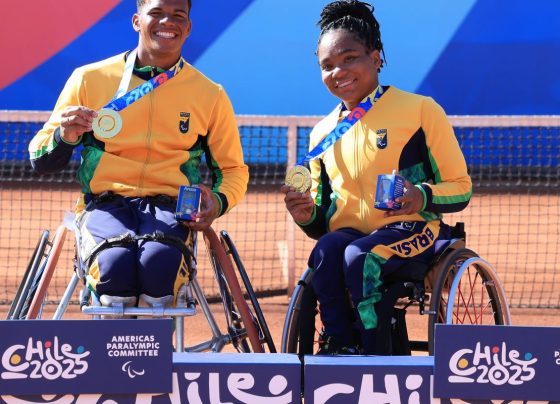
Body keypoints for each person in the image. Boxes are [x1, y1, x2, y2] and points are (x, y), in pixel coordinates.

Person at [29, 0, 249, 311]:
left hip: (171, 207)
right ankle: (118, 341)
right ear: (136, 21)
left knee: (160, 264)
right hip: (104, 204)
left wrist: (219, 201)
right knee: (114, 266)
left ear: (188, 27)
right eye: (156, 13)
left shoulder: (210, 95)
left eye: (177, 15)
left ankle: (150, 341)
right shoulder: (89, 79)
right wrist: (64, 136)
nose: (167, 22)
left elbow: (233, 170)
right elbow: (40, 157)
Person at [281, 0, 472, 355]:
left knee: (360, 256)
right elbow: (323, 223)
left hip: (413, 229)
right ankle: (339, 345)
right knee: (327, 249)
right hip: (353, 237)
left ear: (375, 57)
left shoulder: (420, 110)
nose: (338, 72)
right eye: (327, 66)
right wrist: (306, 215)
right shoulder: (321, 133)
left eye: (349, 58)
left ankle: (373, 352)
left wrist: (420, 196)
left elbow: (461, 189)